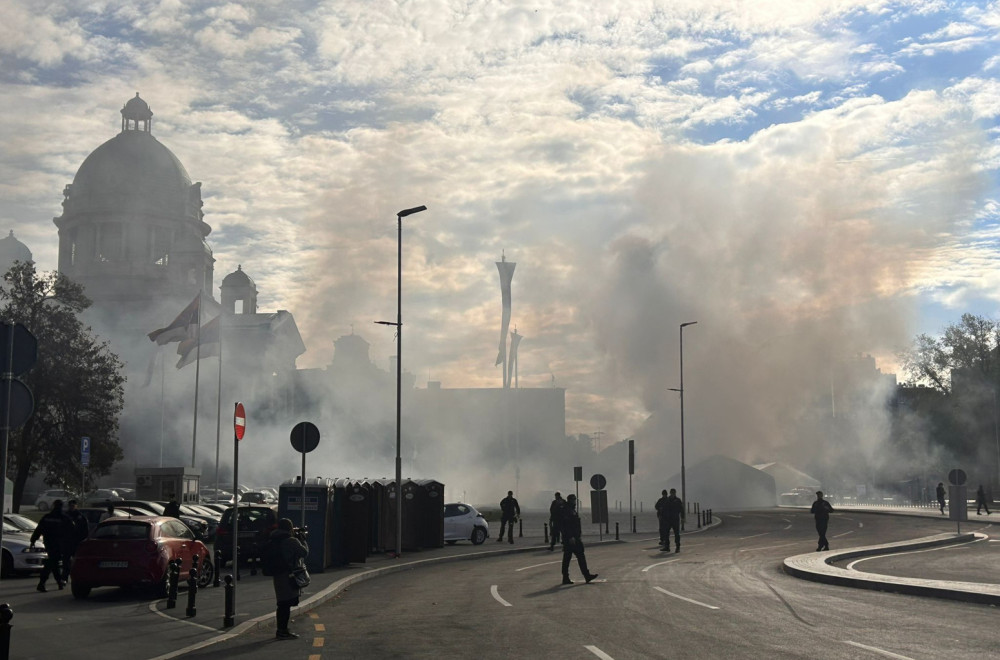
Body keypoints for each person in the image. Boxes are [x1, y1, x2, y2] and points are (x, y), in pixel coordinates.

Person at [268, 518, 309, 640]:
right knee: (285, 604)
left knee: (282, 602)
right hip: (288, 574)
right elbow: (304, 553)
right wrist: (302, 540)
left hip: (278, 574)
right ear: (289, 528)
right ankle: (282, 631)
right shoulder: (291, 541)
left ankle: (282, 629)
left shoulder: (273, 538)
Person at [29, 499, 73, 591]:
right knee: (52, 563)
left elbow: (38, 529)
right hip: (59, 544)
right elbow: (72, 531)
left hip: (48, 543)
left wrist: (33, 540)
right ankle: (42, 583)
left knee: (54, 562)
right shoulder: (64, 518)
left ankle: (58, 582)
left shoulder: (47, 517)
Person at [557, 494, 597, 585]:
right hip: (570, 539)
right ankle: (567, 577)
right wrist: (571, 537)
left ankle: (585, 575)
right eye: (574, 499)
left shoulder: (571, 509)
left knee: (578, 556)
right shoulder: (567, 510)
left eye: (575, 499)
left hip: (575, 538)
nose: (575, 501)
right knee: (569, 558)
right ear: (570, 500)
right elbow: (566, 525)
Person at [63, 499, 90, 583]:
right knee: (66, 561)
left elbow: (85, 530)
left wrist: (83, 541)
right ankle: (65, 577)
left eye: (73, 505)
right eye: (70, 505)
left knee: (77, 561)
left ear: (76, 506)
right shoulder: (65, 516)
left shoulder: (80, 516)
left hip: (77, 542)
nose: (71, 507)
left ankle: (78, 576)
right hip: (67, 542)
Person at [662, 488, 684, 553]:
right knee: (666, 533)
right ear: (670, 493)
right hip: (668, 519)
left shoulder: (678, 500)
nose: (672, 494)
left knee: (677, 534)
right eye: (671, 493)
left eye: (673, 493)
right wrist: (663, 517)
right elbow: (664, 509)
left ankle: (678, 547)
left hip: (675, 519)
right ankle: (667, 547)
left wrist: (682, 518)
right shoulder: (667, 500)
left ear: (675, 493)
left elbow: (681, 510)